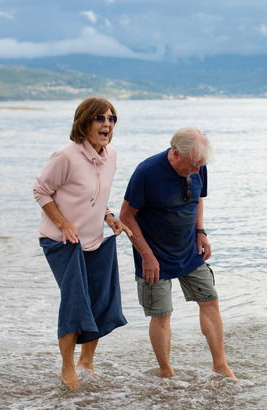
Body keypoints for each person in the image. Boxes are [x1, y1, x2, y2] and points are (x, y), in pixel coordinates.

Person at [119, 127, 235, 379]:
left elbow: (198, 198)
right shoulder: (146, 173)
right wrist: (147, 256)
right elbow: (126, 216)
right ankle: (166, 372)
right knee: (162, 315)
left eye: (199, 166)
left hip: (189, 250)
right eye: (192, 165)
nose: (195, 171)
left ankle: (220, 366)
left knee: (210, 300)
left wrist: (201, 231)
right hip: (154, 255)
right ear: (174, 153)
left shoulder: (197, 164)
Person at [33, 97, 132, 390]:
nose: (107, 124)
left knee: (100, 301)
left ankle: (86, 362)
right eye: (100, 118)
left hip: (95, 239)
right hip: (60, 240)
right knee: (76, 301)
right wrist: (63, 223)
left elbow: (94, 196)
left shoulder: (111, 154)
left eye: (112, 119)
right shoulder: (66, 156)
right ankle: (67, 368)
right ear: (84, 121)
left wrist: (109, 215)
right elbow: (41, 191)